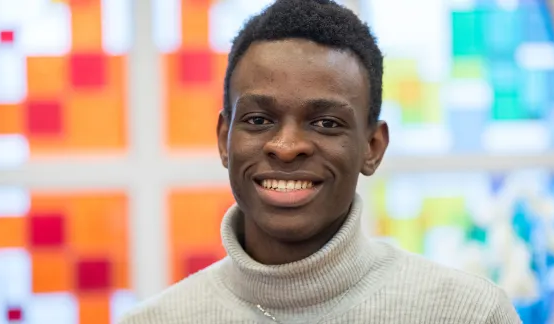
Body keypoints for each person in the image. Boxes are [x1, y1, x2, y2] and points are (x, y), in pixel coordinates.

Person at [120, 0, 522, 323]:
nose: (286, 146)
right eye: (259, 120)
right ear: (225, 139)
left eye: (326, 123)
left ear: (373, 147)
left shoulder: (466, 313)